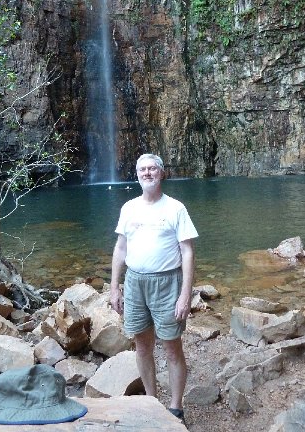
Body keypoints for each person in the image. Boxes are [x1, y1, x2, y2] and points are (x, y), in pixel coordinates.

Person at [110, 153, 198, 424]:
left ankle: (175, 408)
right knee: (142, 345)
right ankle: (151, 401)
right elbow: (120, 248)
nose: (147, 173)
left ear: (161, 173)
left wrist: (185, 294)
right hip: (135, 282)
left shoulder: (175, 208)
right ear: (137, 174)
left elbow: (188, 252)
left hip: (167, 283)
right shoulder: (129, 208)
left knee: (172, 347)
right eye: (142, 169)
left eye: (152, 169)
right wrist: (115, 287)